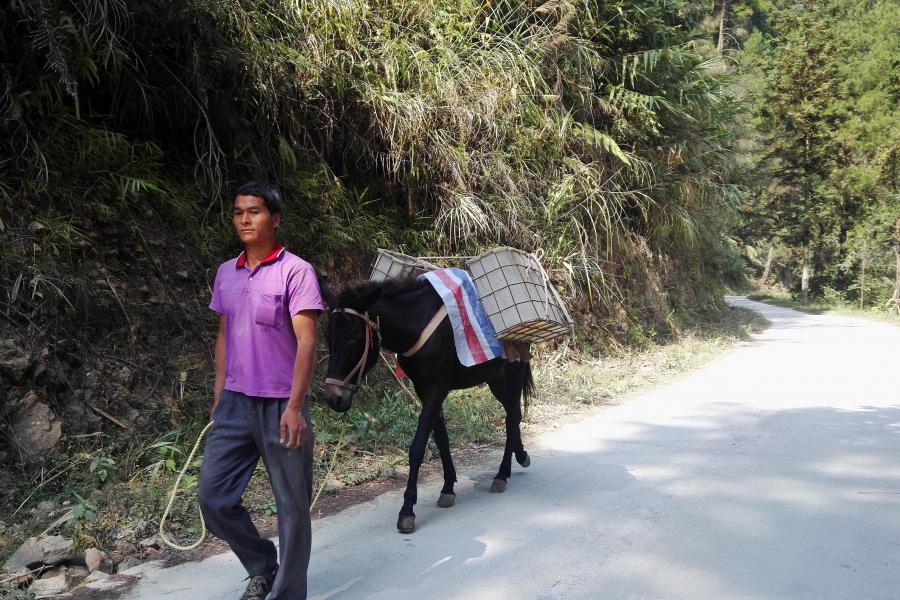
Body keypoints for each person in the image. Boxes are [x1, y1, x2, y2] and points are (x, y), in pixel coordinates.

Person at [198, 181, 322, 600]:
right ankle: (261, 564)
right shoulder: (225, 272)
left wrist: (296, 406)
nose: (245, 219)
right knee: (213, 497)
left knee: (292, 508)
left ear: (275, 218)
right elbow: (223, 334)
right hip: (234, 403)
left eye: (254, 211)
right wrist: (218, 389)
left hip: (281, 405)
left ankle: (287, 593)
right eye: (238, 212)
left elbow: (307, 341)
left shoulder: (295, 271)